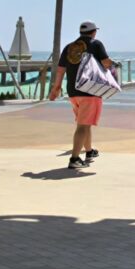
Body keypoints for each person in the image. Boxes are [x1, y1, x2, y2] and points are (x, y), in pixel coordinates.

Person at [48, 21, 115, 169]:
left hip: (73, 92)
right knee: (83, 126)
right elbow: (105, 62)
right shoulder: (96, 44)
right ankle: (74, 158)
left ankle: (89, 151)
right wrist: (114, 66)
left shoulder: (69, 47)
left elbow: (61, 70)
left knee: (84, 123)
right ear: (94, 32)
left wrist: (56, 89)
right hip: (90, 91)